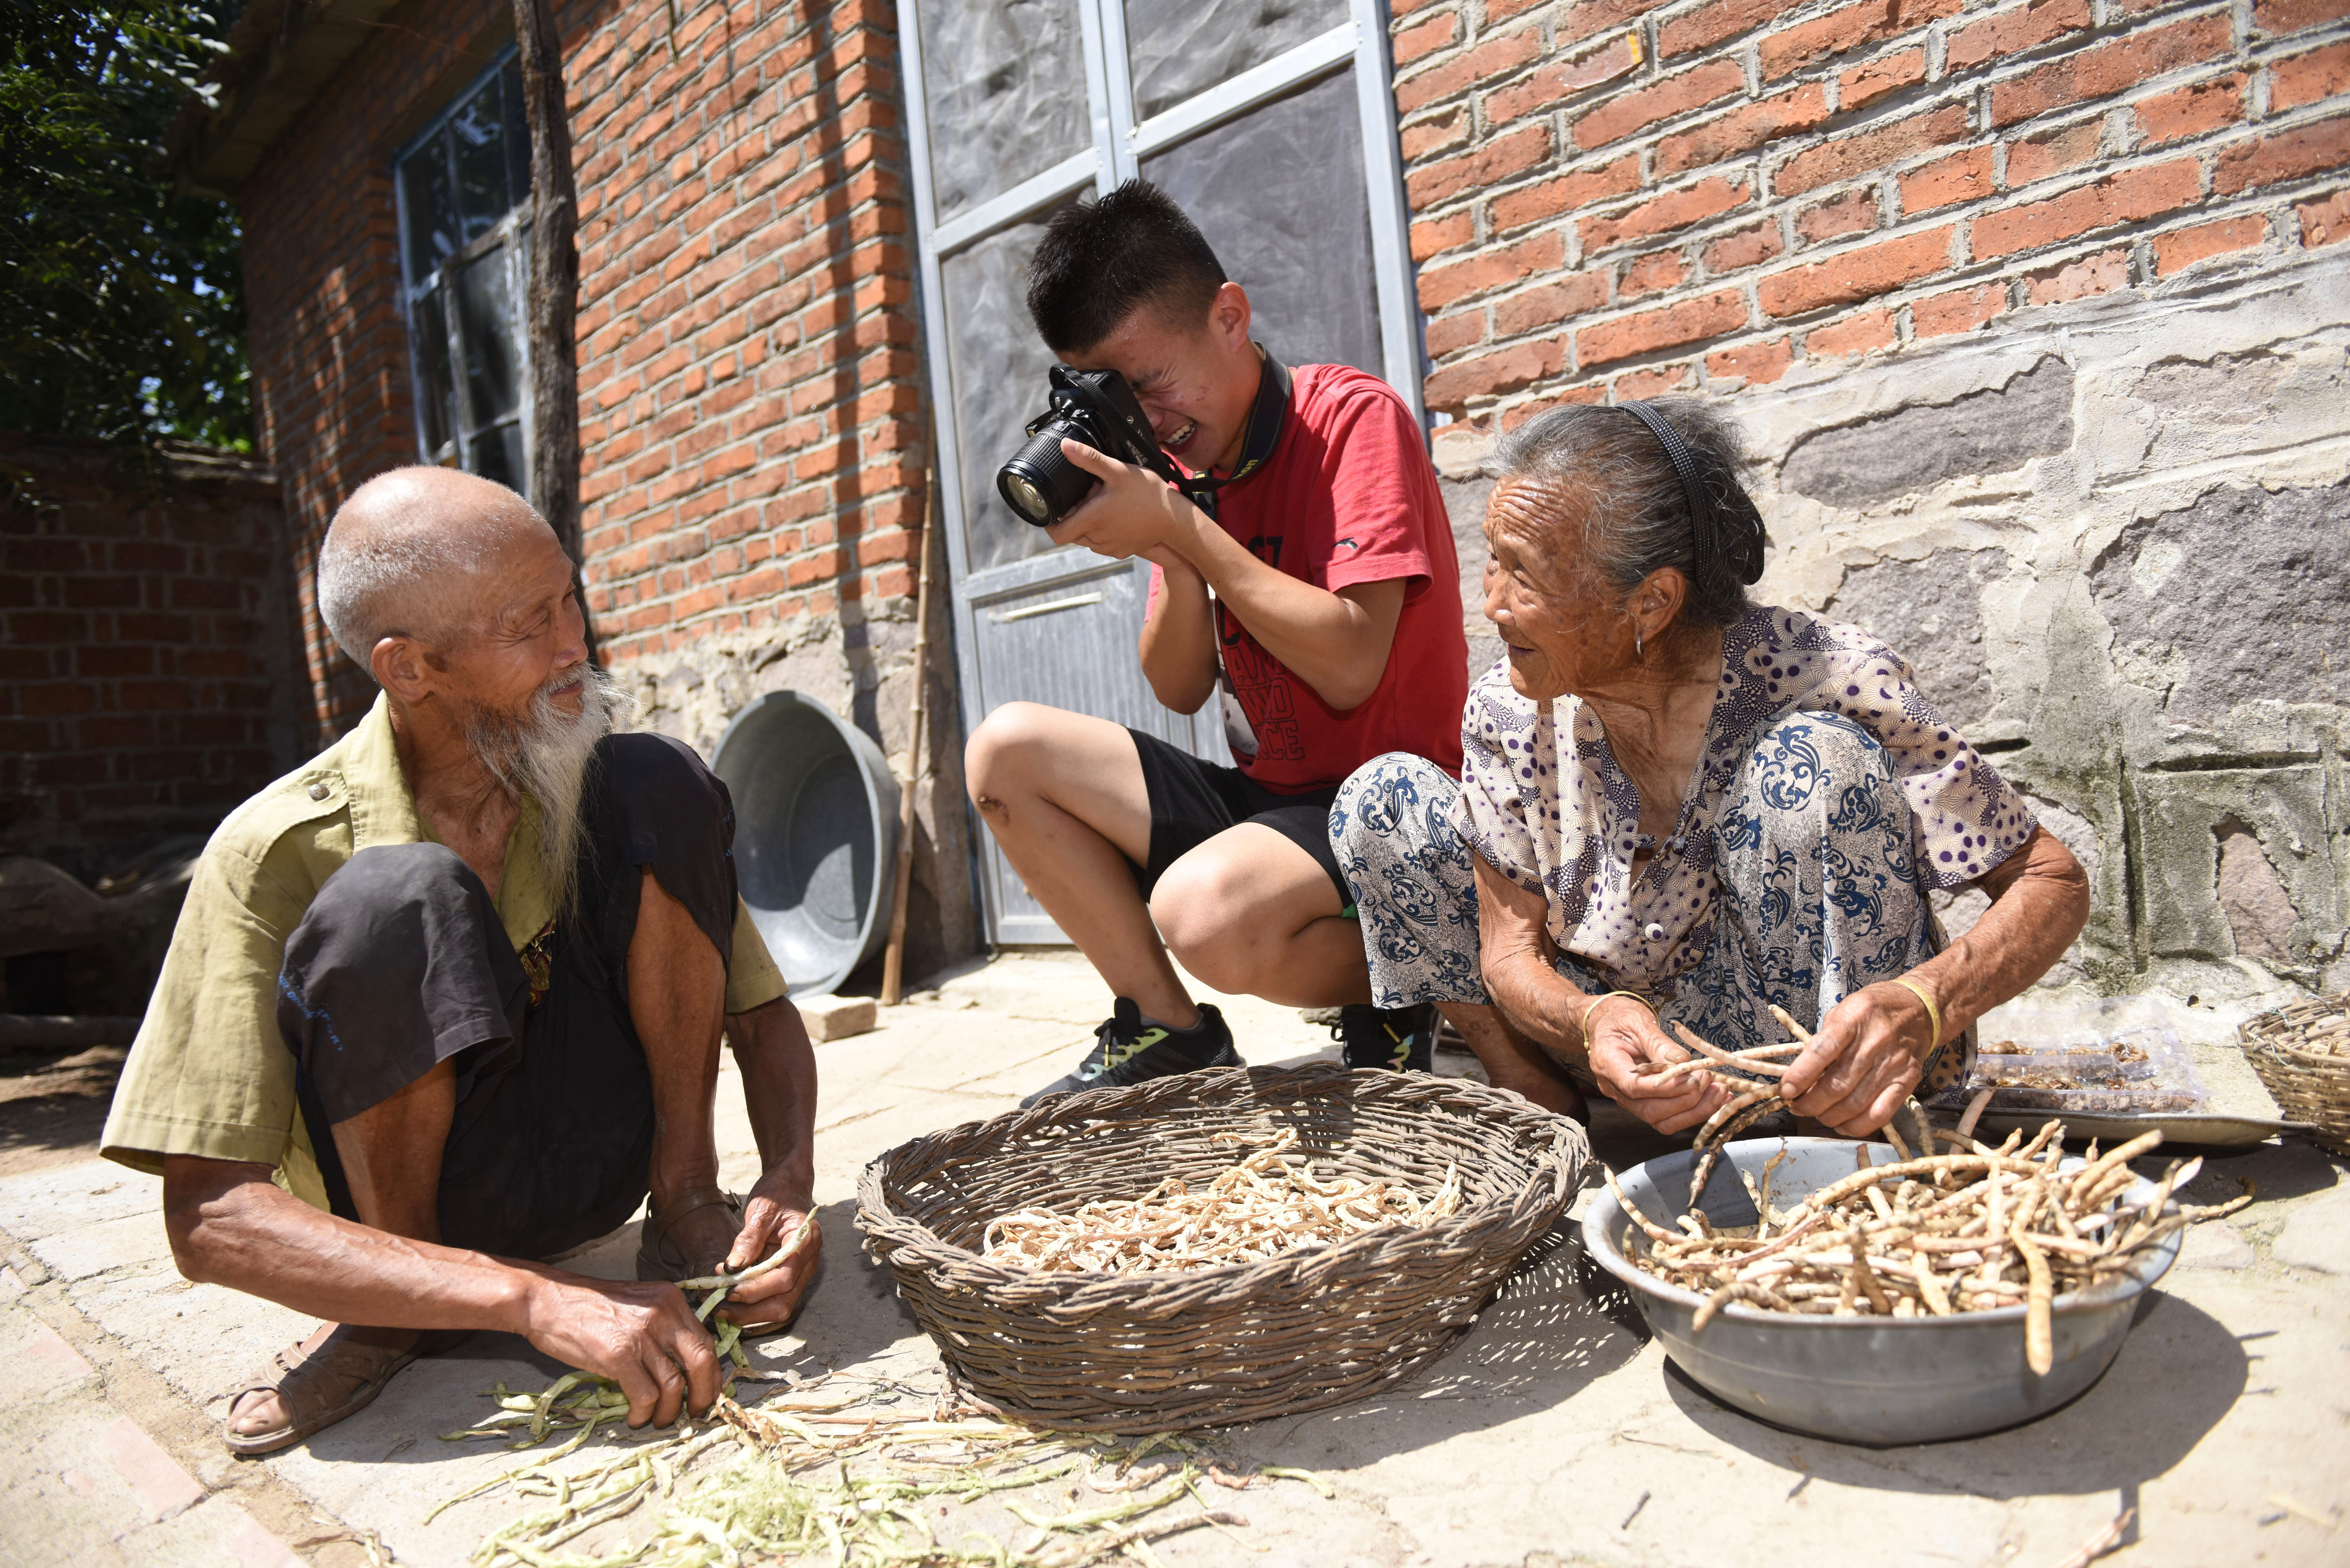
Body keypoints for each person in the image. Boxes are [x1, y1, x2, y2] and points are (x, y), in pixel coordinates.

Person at [99, 468, 822, 1455]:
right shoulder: (273, 849)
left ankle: (688, 1202)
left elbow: (759, 1011)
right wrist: (532, 1297)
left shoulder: (590, 775)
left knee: (656, 774)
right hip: (418, 1214)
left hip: (600, 1157)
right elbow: (210, 1218)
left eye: (569, 597)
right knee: (396, 898)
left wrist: (787, 1174)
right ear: (409, 668)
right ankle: (397, 1313)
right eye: (529, 624)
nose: (576, 645)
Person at [1330, 399, 2090, 1134]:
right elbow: (1507, 954)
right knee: (1384, 798)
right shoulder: (1510, 709)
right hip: (1637, 1050)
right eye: (1491, 564)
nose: (1492, 603)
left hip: (1818, 1053)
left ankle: (1827, 1131)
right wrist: (1592, 1019)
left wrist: (1926, 1003)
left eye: (1524, 575)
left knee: (1812, 760)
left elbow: (2049, 881)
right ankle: (1543, 1109)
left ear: (1652, 602)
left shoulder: (1824, 675)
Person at [964, 181, 1471, 1104]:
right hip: (1272, 802)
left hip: (1392, 815)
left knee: (1201, 913)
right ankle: (1169, 1029)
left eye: (1149, 384)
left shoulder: (1351, 420)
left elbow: (1354, 665)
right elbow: (1178, 686)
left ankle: (1415, 983)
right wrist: (1173, 536)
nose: (1144, 420)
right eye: (1111, 399)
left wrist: (1186, 528)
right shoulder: (1186, 469)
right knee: (1005, 751)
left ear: (1229, 316)